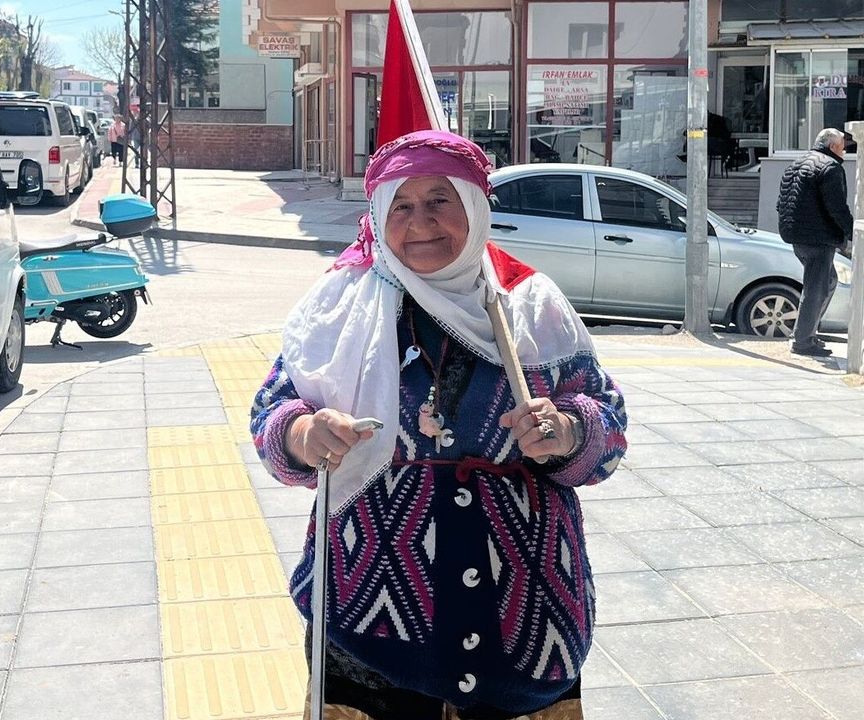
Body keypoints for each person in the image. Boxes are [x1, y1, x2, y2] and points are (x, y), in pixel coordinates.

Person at [250, 129, 628, 720]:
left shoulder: (532, 304)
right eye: (400, 205)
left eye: (438, 200)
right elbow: (272, 413)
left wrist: (570, 431)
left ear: (475, 207)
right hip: (367, 619)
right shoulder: (339, 305)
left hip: (525, 619)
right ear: (379, 214)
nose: (419, 222)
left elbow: (609, 425)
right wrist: (303, 435)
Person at [775, 127, 853, 358]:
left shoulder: (796, 163)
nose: (845, 150)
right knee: (816, 289)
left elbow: (782, 202)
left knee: (828, 281)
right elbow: (837, 208)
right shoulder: (831, 167)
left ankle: (806, 333)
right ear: (832, 147)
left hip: (795, 234)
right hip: (818, 238)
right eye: (843, 146)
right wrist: (852, 232)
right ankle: (802, 341)